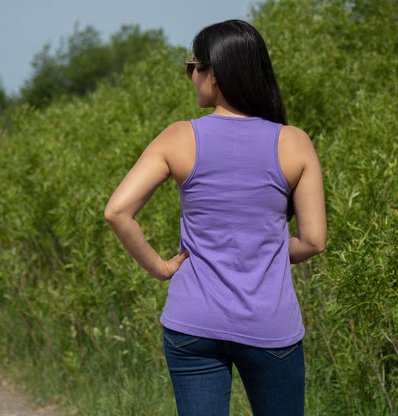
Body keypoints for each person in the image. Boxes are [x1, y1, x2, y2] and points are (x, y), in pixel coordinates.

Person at [105, 19, 327, 416]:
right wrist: (264, 249)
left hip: (192, 323)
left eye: (193, 66)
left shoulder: (178, 137)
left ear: (216, 73)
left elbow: (118, 211)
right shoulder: (294, 142)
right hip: (270, 326)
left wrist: (159, 267)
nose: (190, 76)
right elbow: (313, 241)